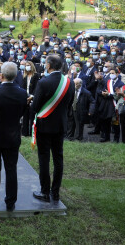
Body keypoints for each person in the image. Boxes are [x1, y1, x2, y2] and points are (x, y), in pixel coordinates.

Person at [0, 62, 27, 212]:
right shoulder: (22, 93)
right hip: (12, 136)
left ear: (0, 76)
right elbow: (23, 112)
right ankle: (10, 202)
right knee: (11, 169)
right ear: (15, 76)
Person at [31, 54, 74, 203]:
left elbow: (35, 107)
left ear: (48, 65)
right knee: (58, 159)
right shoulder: (70, 82)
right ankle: (55, 192)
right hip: (60, 125)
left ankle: (45, 192)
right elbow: (69, 105)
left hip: (44, 125)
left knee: (44, 159)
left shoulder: (44, 82)